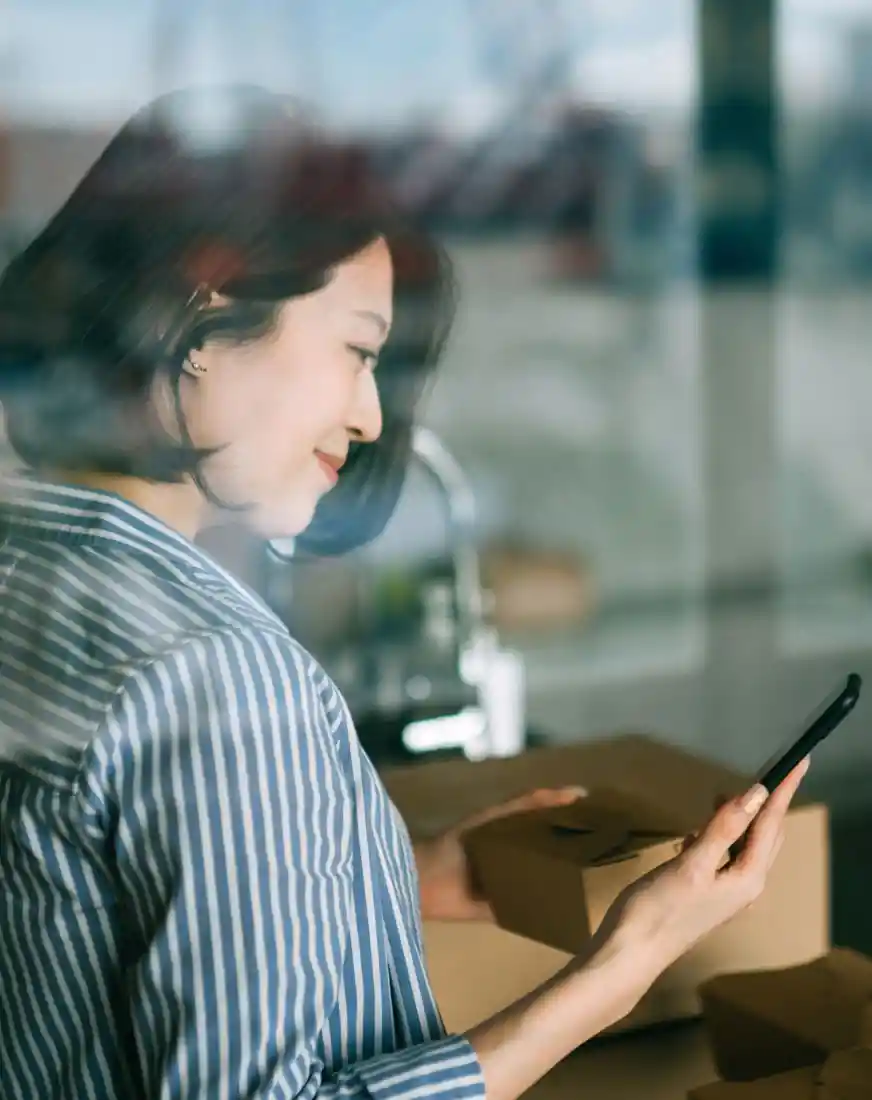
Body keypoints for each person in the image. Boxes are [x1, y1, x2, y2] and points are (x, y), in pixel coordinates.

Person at [0, 85, 808, 1100]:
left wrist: (386, 873)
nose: (373, 414)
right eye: (357, 349)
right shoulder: (220, 680)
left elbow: (65, 916)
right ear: (202, 317)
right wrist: (618, 968)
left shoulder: (23, 572)